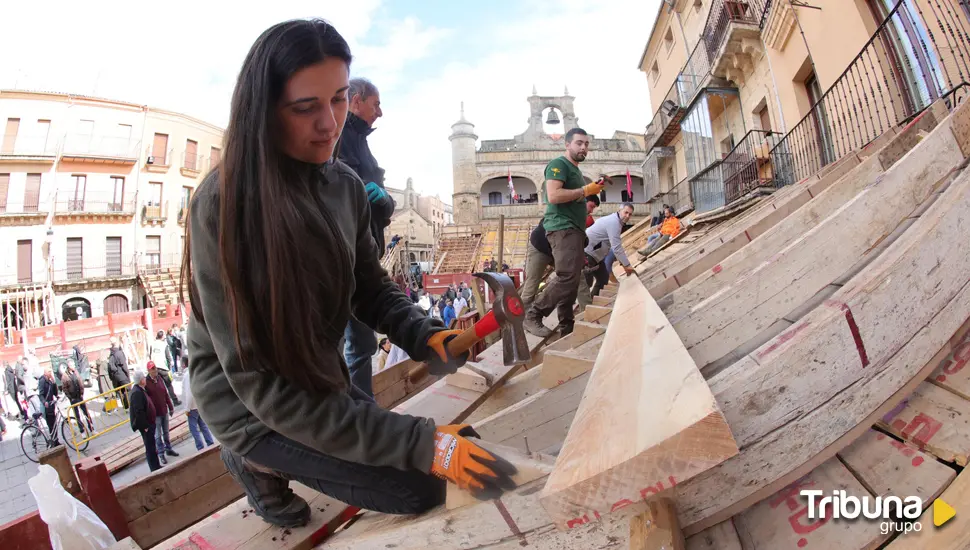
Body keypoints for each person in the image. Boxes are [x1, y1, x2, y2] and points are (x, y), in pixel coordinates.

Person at [180, 19, 515, 530]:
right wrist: (421, 444)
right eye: (305, 107)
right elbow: (259, 384)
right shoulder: (222, 209)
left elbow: (370, 287)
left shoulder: (345, 187)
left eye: (338, 99)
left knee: (460, 451)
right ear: (264, 111)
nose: (330, 124)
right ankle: (251, 458)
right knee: (423, 484)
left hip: (315, 378)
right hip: (253, 403)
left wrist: (425, 334)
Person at [335, 77, 394, 399]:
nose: (381, 112)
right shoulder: (335, 136)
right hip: (344, 258)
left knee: (361, 345)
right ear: (356, 100)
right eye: (376, 104)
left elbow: (381, 207)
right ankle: (355, 417)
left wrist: (383, 199)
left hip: (363, 255)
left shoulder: (359, 140)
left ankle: (362, 413)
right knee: (349, 346)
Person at [523, 128, 605, 338]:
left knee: (572, 279)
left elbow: (573, 197)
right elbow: (554, 195)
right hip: (561, 227)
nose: (583, 147)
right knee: (567, 276)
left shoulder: (576, 172)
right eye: (579, 143)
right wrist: (586, 191)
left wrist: (590, 189)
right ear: (567, 144)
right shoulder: (559, 164)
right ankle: (533, 314)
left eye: (586, 144)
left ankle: (566, 327)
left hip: (573, 230)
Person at [585, 203, 637, 295]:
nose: (627, 216)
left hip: (597, 255)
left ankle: (592, 300)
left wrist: (624, 263)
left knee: (603, 278)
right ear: (619, 211)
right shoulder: (614, 222)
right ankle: (584, 306)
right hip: (588, 252)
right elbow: (616, 247)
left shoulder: (617, 222)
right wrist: (627, 266)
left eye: (630, 214)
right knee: (586, 283)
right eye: (626, 212)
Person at [145, 361, 178, 465]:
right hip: (156, 414)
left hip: (164, 410)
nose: (155, 371)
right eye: (152, 369)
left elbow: (165, 394)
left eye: (155, 369)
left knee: (166, 432)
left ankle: (169, 449)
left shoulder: (159, 379)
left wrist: (171, 406)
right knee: (158, 435)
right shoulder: (146, 383)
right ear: (148, 370)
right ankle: (161, 454)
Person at [129, 371, 162, 472]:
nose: (145, 379)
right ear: (140, 380)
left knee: (152, 446)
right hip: (146, 426)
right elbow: (139, 411)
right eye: (144, 378)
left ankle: (156, 465)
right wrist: (145, 426)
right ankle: (154, 468)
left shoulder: (140, 389)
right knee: (150, 447)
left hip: (149, 423)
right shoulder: (137, 393)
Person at [181, 360, 215, 452]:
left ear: (184, 364)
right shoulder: (193, 372)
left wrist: (187, 408)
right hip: (198, 404)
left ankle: (200, 447)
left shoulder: (187, 375)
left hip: (192, 407)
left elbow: (188, 393)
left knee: (194, 429)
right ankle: (210, 443)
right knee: (203, 425)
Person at [150, 330, 181, 405]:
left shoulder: (152, 344)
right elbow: (168, 356)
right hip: (163, 367)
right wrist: (171, 365)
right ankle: (175, 401)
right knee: (169, 385)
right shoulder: (164, 344)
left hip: (154, 367)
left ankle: (160, 403)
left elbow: (150, 355)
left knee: (158, 386)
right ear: (162, 336)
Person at [61, 364, 94, 434]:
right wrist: (70, 397)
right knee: (77, 415)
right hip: (73, 398)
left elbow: (80, 382)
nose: (74, 366)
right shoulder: (65, 376)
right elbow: (64, 388)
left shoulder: (76, 372)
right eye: (72, 365)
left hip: (80, 396)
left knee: (86, 413)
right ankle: (82, 431)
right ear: (69, 367)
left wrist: (82, 393)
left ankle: (92, 428)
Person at [107, 337, 132, 410]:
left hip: (115, 377)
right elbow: (124, 366)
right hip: (122, 376)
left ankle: (125, 407)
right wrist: (128, 375)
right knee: (128, 391)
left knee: (120, 392)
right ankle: (130, 406)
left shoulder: (111, 354)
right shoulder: (119, 353)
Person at [37, 367, 60, 446]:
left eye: (51, 371)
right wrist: (44, 402)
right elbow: (41, 394)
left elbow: (54, 392)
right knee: (51, 425)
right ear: (45, 373)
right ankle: (54, 443)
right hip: (46, 408)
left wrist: (54, 383)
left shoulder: (50, 381)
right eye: (49, 371)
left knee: (54, 425)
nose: (50, 373)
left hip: (51, 406)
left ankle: (56, 441)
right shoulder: (42, 381)